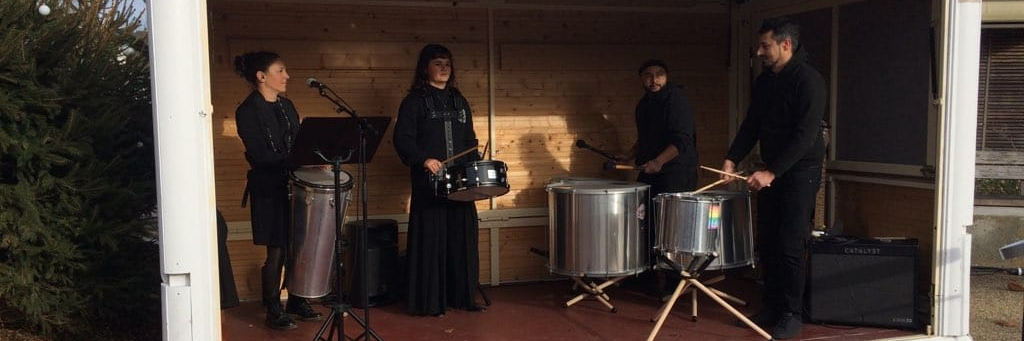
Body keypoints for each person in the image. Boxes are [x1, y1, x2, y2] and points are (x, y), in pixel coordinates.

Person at [719, 17, 827, 340]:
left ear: (786, 45)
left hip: (800, 171)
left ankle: (792, 313)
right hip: (771, 171)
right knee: (767, 241)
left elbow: (805, 136)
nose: (760, 51)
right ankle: (771, 306)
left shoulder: (810, 81)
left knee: (790, 243)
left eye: (765, 45)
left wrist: (772, 172)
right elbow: (752, 123)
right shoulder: (765, 81)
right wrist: (731, 158)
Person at [393, 44, 486, 317]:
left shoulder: (460, 100)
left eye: (447, 63)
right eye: (437, 63)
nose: (444, 67)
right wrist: (423, 159)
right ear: (425, 68)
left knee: (462, 239)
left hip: (461, 184)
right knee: (431, 240)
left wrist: (474, 166)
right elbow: (403, 138)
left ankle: (463, 297)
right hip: (429, 185)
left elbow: (469, 140)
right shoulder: (414, 101)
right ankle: (431, 302)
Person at [233, 51, 322, 330]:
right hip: (269, 188)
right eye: (280, 71)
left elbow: (298, 142)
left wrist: (313, 159)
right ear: (262, 76)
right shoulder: (247, 111)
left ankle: (296, 300)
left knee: (299, 246)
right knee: (278, 250)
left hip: (294, 185)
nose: (287, 76)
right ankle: (273, 307)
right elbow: (259, 153)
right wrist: (295, 160)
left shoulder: (287, 105)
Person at [615, 59, 698, 297]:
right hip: (652, 171)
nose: (654, 80)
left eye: (659, 74)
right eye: (648, 75)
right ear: (641, 79)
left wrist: (659, 161)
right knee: (646, 223)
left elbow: (682, 140)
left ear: (667, 77)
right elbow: (645, 138)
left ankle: (675, 284)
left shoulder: (676, 99)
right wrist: (629, 154)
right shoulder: (643, 105)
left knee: (672, 229)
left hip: (677, 173)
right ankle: (646, 276)